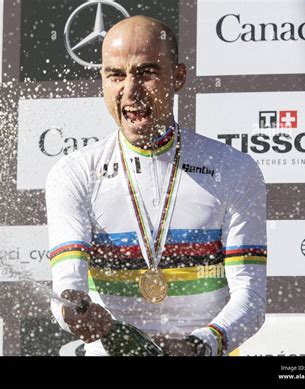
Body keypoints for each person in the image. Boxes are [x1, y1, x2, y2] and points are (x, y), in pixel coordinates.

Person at [46, 15, 267, 356]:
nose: (129, 91)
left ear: (178, 77)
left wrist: (199, 345)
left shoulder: (232, 169)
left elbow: (251, 298)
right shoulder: (75, 173)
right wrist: (73, 309)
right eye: (115, 75)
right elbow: (67, 286)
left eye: (146, 73)